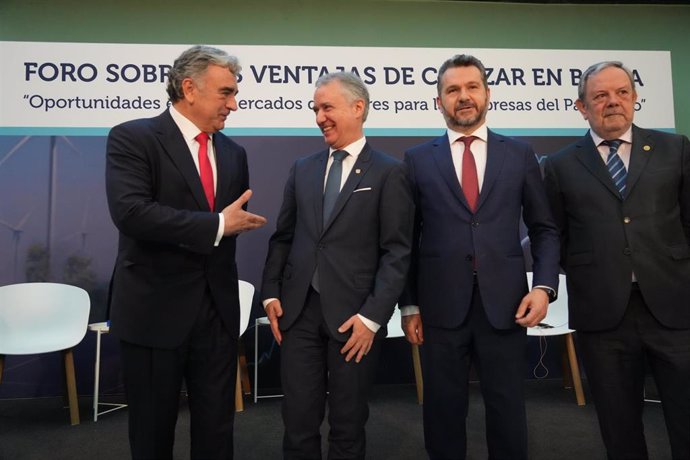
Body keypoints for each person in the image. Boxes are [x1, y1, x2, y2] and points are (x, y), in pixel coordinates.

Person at [105, 45, 267, 460]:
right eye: (226, 93)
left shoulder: (234, 153)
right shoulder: (133, 137)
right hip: (153, 312)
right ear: (190, 88)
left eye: (235, 94)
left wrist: (226, 227)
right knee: (152, 432)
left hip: (216, 314)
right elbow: (132, 213)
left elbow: (229, 226)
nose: (234, 104)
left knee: (217, 430)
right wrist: (216, 225)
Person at [401, 54, 560, 460]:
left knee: (507, 411)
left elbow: (544, 228)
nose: (464, 97)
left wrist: (543, 287)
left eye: (472, 87)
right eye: (452, 90)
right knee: (442, 412)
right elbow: (405, 238)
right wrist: (410, 304)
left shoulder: (520, 154)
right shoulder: (417, 159)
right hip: (439, 308)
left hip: (506, 306)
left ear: (488, 94)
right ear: (438, 101)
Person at [261, 71, 414, 460]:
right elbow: (284, 236)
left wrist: (373, 317)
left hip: (355, 320)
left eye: (327, 107)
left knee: (347, 423)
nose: (319, 117)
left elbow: (397, 252)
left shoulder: (389, 172)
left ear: (358, 107)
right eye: (315, 109)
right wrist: (270, 293)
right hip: (298, 314)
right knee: (297, 420)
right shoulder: (303, 168)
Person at [543, 61, 690, 460]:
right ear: (581, 107)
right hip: (603, 315)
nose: (613, 102)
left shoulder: (675, 149)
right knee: (619, 427)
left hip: (675, 308)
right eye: (600, 96)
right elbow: (555, 234)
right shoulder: (557, 166)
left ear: (635, 98)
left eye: (621, 93)